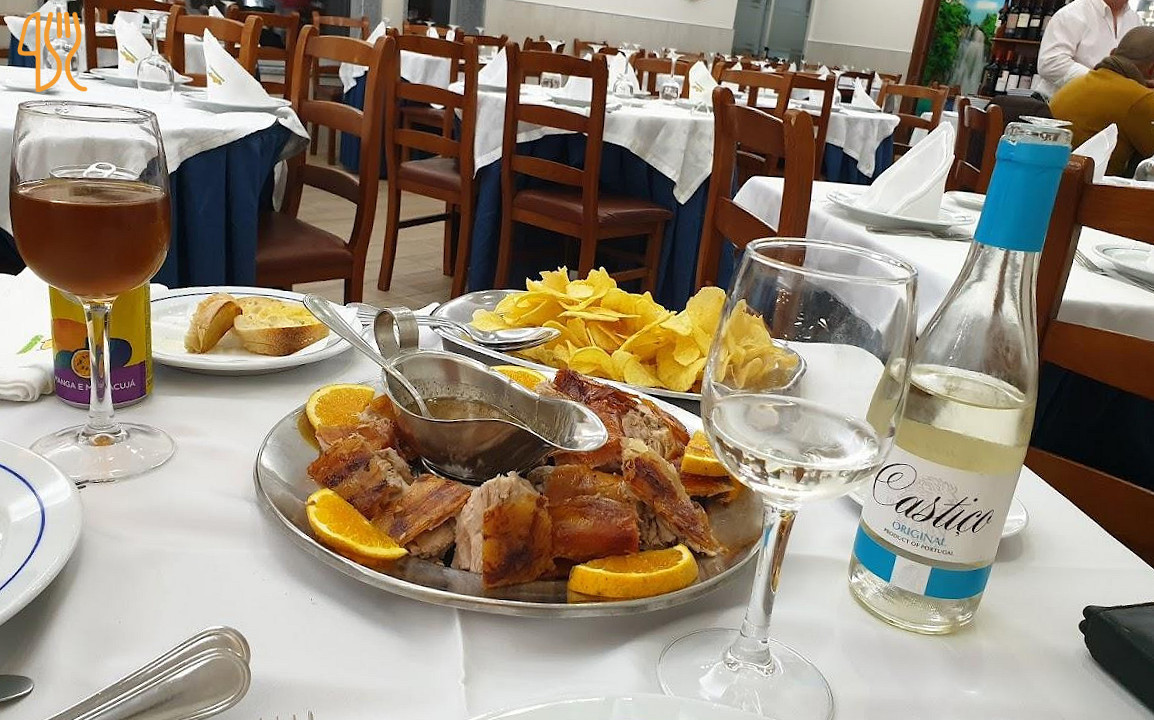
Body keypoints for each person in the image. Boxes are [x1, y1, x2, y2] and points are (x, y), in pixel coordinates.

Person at [1050, 26, 1154, 176]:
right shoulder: (1140, 98)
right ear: (1152, 70)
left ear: (1112, 53)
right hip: (1092, 187)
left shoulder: (1077, 83)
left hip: (1055, 179)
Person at [1036, 0, 1141, 98]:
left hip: (1106, 106)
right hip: (1057, 105)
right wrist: (1101, 82)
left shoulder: (1134, 20)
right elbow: (1050, 63)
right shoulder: (1073, 13)